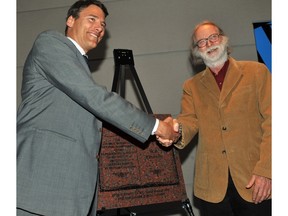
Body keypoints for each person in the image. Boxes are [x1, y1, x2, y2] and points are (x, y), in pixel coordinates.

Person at [16, 1, 179, 215]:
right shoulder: (50, 42)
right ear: (70, 20)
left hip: (71, 194)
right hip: (41, 186)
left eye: (103, 24)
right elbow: (95, 97)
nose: (99, 27)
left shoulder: (78, 67)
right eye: (92, 19)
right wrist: (156, 126)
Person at [158, 20, 271, 216]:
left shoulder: (257, 72)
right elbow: (189, 121)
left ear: (223, 40)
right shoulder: (191, 86)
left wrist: (267, 171)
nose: (209, 44)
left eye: (213, 37)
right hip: (212, 188)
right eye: (202, 42)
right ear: (196, 50)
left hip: (254, 180)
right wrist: (174, 130)